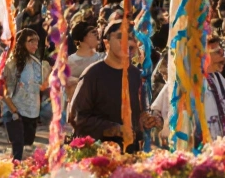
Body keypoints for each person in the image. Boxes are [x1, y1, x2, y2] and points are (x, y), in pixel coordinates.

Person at [68, 20, 159, 152]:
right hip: (100, 157)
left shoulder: (138, 76)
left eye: (132, 38)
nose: (127, 42)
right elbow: (77, 118)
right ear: (106, 43)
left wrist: (148, 120)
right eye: (120, 37)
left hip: (132, 155)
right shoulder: (92, 74)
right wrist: (113, 129)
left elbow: (142, 113)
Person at [151, 33, 225, 143]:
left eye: (222, 51)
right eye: (217, 52)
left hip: (221, 154)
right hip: (192, 155)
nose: (223, 57)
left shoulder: (222, 82)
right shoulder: (180, 83)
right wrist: (155, 120)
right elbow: (158, 114)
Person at [0, 29, 46, 161]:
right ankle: (14, 174)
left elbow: (40, 84)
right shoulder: (12, 63)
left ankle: (12, 167)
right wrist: (13, 110)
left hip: (31, 111)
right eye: (31, 41)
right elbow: (4, 89)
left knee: (27, 142)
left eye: (37, 41)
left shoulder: (36, 62)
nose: (35, 45)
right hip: (14, 110)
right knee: (18, 146)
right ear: (22, 42)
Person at [66, 21, 104, 102]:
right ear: (82, 37)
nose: (97, 35)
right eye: (93, 33)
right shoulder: (69, 62)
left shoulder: (102, 58)